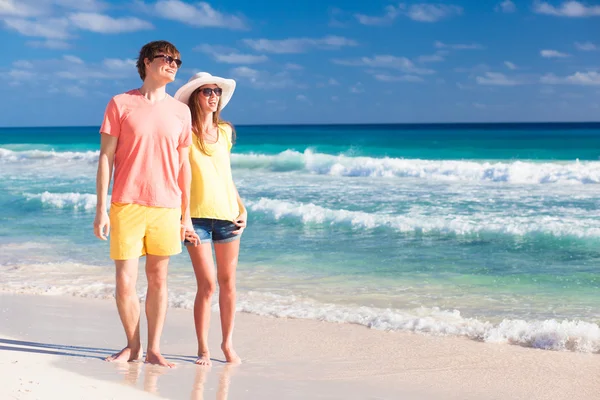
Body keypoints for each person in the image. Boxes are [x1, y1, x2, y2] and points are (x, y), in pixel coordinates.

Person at [93, 40, 199, 368]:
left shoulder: (181, 112)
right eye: (167, 58)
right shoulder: (121, 103)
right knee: (125, 278)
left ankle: (154, 348)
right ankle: (132, 345)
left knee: (158, 278)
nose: (174, 64)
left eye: (178, 61)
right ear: (147, 62)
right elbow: (106, 157)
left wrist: (187, 216)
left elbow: (184, 167)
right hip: (126, 202)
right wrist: (101, 208)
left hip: (167, 206)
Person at [174, 72, 247, 365]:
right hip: (197, 220)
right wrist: (183, 218)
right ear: (195, 96)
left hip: (229, 216)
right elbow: (178, 177)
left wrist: (242, 208)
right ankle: (203, 348)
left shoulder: (226, 131)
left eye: (216, 91)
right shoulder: (184, 133)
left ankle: (227, 345)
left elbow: (225, 175)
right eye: (207, 91)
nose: (213, 96)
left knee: (229, 283)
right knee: (207, 285)